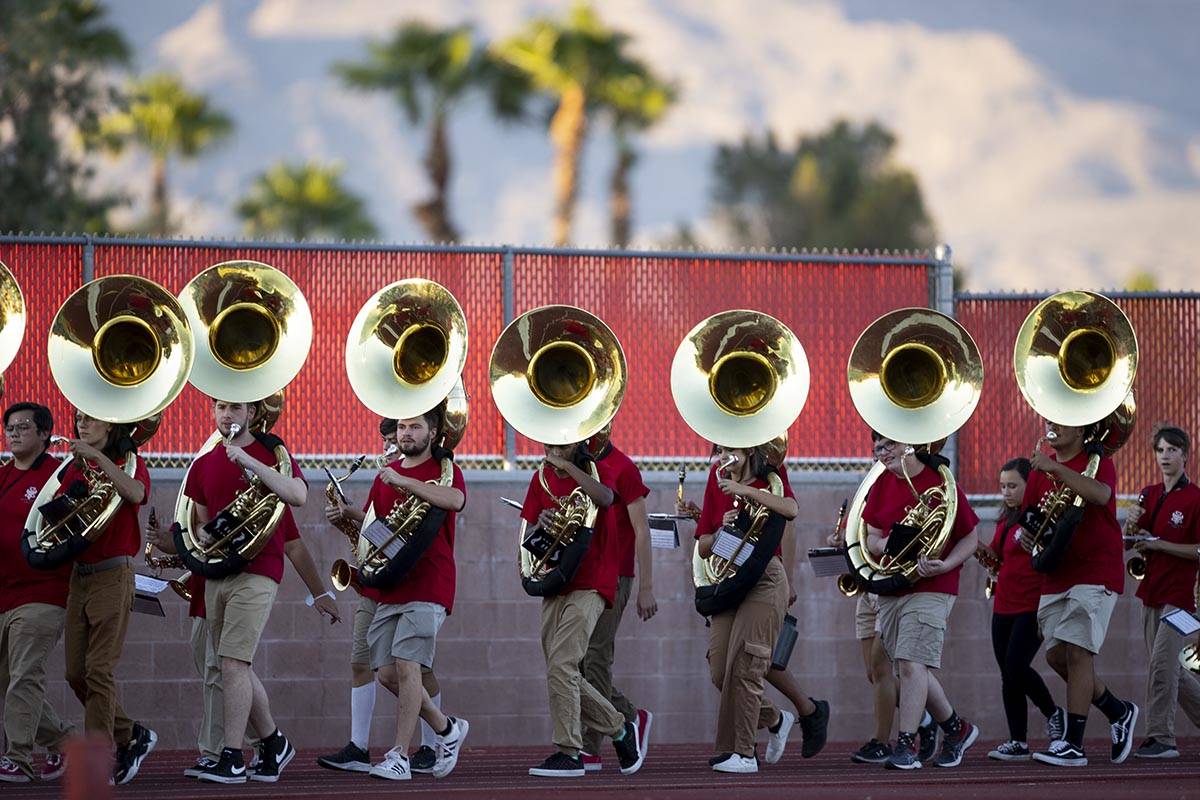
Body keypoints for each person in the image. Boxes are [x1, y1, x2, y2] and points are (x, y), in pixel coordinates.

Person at [185, 398, 340, 784]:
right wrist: (196, 536)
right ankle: (273, 742)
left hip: (258, 570)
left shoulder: (273, 454)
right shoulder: (202, 464)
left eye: (235, 408)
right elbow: (203, 527)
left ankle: (233, 756)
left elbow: (299, 496)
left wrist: (248, 461)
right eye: (220, 407)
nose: (226, 415)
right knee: (230, 663)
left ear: (252, 414)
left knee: (234, 662)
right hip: (218, 572)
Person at [520, 441, 646, 778]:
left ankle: (569, 751)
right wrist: (543, 523)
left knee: (563, 663)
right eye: (548, 441)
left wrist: (570, 468)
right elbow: (527, 531)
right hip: (554, 581)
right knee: (561, 669)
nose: (553, 446)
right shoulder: (541, 478)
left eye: (561, 441)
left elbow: (605, 497)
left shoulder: (596, 467)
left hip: (592, 582)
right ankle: (619, 728)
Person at [1022, 420, 1138, 767]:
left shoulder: (1097, 459)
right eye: (1050, 421)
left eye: (1061, 423)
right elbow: (1030, 516)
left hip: (1095, 569)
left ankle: (1073, 743)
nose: (1052, 426)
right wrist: (1029, 536)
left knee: (1077, 651)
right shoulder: (1039, 468)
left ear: (1080, 432)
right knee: (1057, 656)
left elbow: (1101, 495)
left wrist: (1055, 468)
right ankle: (1118, 711)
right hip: (1058, 573)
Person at [361, 409, 469, 781]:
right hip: (393, 586)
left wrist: (404, 483)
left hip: (430, 583)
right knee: (388, 674)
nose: (406, 433)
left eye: (414, 427)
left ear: (432, 432)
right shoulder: (384, 476)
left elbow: (454, 500)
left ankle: (399, 756)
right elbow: (375, 530)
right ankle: (446, 729)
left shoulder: (444, 472)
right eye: (402, 427)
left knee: (408, 666)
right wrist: (347, 515)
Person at [863, 433, 980, 770]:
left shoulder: (940, 481)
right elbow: (869, 535)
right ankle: (956, 729)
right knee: (908, 664)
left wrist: (946, 564)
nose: (882, 454)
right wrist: (883, 545)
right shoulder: (882, 484)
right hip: (893, 584)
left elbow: (971, 537)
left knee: (912, 663)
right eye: (878, 448)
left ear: (909, 445)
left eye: (888, 446)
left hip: (933, 583)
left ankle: (905, 746)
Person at [59, 410, 156, 784]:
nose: (82, 424)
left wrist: (96, 458)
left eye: (91, 419)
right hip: (78, 576)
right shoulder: (71, 469)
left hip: (112, 574)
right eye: (79, 418)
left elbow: (136, 492)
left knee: (98, 670)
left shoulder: (127, 462)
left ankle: (98, 762)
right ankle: (131, 733)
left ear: (111, 426)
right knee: (74, 673)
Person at [693, 443, 798, 774]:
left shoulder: (772, 476)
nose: (726, 455)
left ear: (751, 447)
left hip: (765, 580)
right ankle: (775, 719)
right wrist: (721, 529)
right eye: (721, 448)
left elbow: (790, 508)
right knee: (720, 670)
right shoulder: (716, 477)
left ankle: (743, 753)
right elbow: (705, 544)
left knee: (748, 663)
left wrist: (742, 490)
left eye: (732, 448)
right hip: (729, 580)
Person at [0, 403, 73, 783]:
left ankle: (18, 758)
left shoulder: (59, 475)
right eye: (9, 427)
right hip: (4, 594)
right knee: (11, 681)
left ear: (44, 434)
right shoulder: (3, 475)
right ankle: (66, 742)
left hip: (44, 593)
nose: (13, 433)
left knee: (25, 675)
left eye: (23, 427)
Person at [580, 428, 656, 771]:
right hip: (581, 576)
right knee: (577, 662)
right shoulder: (576, 464)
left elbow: (642, 529)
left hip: (616, 575)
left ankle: (607, 733)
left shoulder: (623, 466)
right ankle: (622, 720)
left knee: (595, 658)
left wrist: (646, 587)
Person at [979, 457, 1063, 761]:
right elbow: (997, 558)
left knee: (1016, 666)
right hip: (1003, 605)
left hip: (1031, 605)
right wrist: (971, 545)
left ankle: (1054, 714)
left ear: (1030, 486)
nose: (1006, 492)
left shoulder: (1040, 517)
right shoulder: (1006, 520)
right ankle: (1018, 740)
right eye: (1003, 486)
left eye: (1013, 485)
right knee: (1008, 674)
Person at [1126, 424, 1200, 759]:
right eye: (1161, 450)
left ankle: (1162, 738)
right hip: (1152, 592)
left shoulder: (1196, 498)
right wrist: (1132, 529)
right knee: (1170, 670)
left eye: (1172, 450)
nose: (1165, 456)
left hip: (1185, 598)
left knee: (1161, 667)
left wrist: (1162, 545)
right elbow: (1140, 543)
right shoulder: (1149, 493)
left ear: (1185, 455)